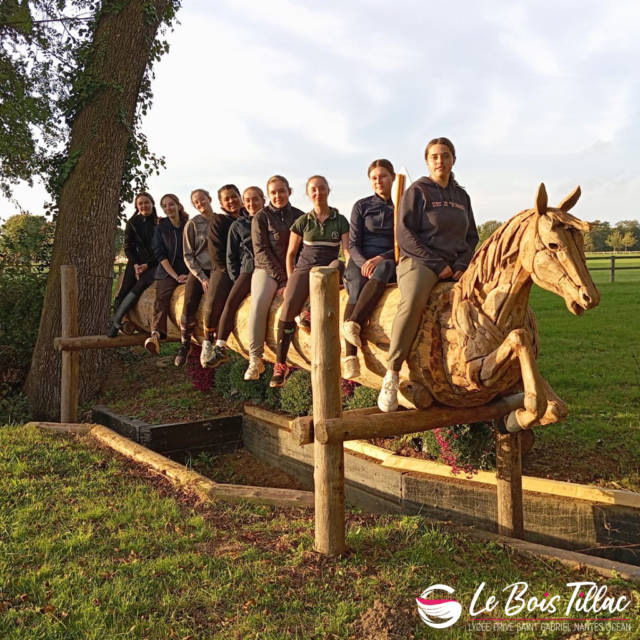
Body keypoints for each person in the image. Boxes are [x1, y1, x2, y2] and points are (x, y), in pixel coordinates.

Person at [377, 137, 478, 412]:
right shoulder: (418, 191)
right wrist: (435, 263)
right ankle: (393, 372)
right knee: (413, 304)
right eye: (434, 156)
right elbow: (404, 234)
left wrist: (460, 264)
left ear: (453, 160)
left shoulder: (461, 197)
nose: (440, 161)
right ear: (427, 161)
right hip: (420, 261)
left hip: (455, 264)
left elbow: (472, 236)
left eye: (445, 155)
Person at [269, 175, 350, 387]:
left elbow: (347, 252)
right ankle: (280, 364)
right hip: (304, 269)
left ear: (328, 190)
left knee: (337, 266)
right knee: (287, 312)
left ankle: (309, 313)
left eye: (321, 188)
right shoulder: (302, 222)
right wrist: (290, 280)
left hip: (329, 266)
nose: (318, 193)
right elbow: (291, 254)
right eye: (313, 189)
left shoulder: (340, 220)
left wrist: (349, 275)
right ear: (308, 193)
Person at [243, 175, 305, 381]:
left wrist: (294, 274)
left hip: (295, 269)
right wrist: (282, 278)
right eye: (273, 192)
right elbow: (261, 251)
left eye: (281, 191)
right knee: (259, 303)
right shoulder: (261, 217)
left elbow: (305, 248)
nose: (278, 195)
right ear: (268, 195)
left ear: (289, 191)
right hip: (267, 270)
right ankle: (255, 358)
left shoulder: (301, 216)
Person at [342, 159, 397, 380]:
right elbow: (353, 244)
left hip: (389, 259)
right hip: (360, 258)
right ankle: (350, 358)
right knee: (356, 287)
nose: (378, 181)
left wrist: (381, 258)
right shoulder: (361, 206)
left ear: (392, 177)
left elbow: (405, 242)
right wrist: (364, 261)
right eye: (374, 178)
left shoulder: (402, 205)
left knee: (384, 267)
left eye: (383, 176)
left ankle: (353, 323)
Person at [206, 186, 265, 368]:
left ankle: (258, 357)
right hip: (247, 270)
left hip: (270, 269)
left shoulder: (271, 219)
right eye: (248, 201)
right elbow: (230, 256)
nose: (251, 203)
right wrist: (234, 278)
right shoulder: (238, 225)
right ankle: (218, 345)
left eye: (255, 199)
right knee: (231, 302)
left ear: (263, 199)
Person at [200, 184, 243, 367]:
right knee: (214, 300)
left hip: (247, 267)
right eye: (227, 199)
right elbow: (216, 252)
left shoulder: (249, 217)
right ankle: (209, 339)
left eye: (234, 197)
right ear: (221, 203)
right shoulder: (219, 221)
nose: (232, 201)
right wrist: (230, 271)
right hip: (224, 267)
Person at [144, 194, 189, 356]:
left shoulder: (188, 225)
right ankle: (155, 335)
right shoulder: (161, 227)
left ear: (178, 205)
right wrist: (176, 276)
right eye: (165, 206)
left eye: (171, 204)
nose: (168, 208)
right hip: (168, 271)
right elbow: (160, 255)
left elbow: (195, 251)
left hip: (189, 269)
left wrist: (189, 273)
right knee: (162, 297)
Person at [108, 192, 158, 337]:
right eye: (140, 203)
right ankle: (118, 323)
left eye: (147, 202)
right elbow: (128, 247)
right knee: (122, 292)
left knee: (140, 285)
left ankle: (116, 321)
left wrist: (147, 265)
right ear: (137, 206)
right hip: (135, 261)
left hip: (153, 263)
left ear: (152, 203)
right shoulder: (132, 223)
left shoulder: (159, 223)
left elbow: (162, 250)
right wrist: (136, 264)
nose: (144, 205)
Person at [176, 188, 215, 367]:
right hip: (199, 270)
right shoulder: (192, 224)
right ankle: (185, 344)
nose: (200, 204)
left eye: (202, 199)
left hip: (217, 270)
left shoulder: (220, 220)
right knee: (189, 301)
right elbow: (188, 254)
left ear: (210, 199)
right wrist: (201, 277)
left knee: (214, 303)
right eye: (196, 202)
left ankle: (211, 342)